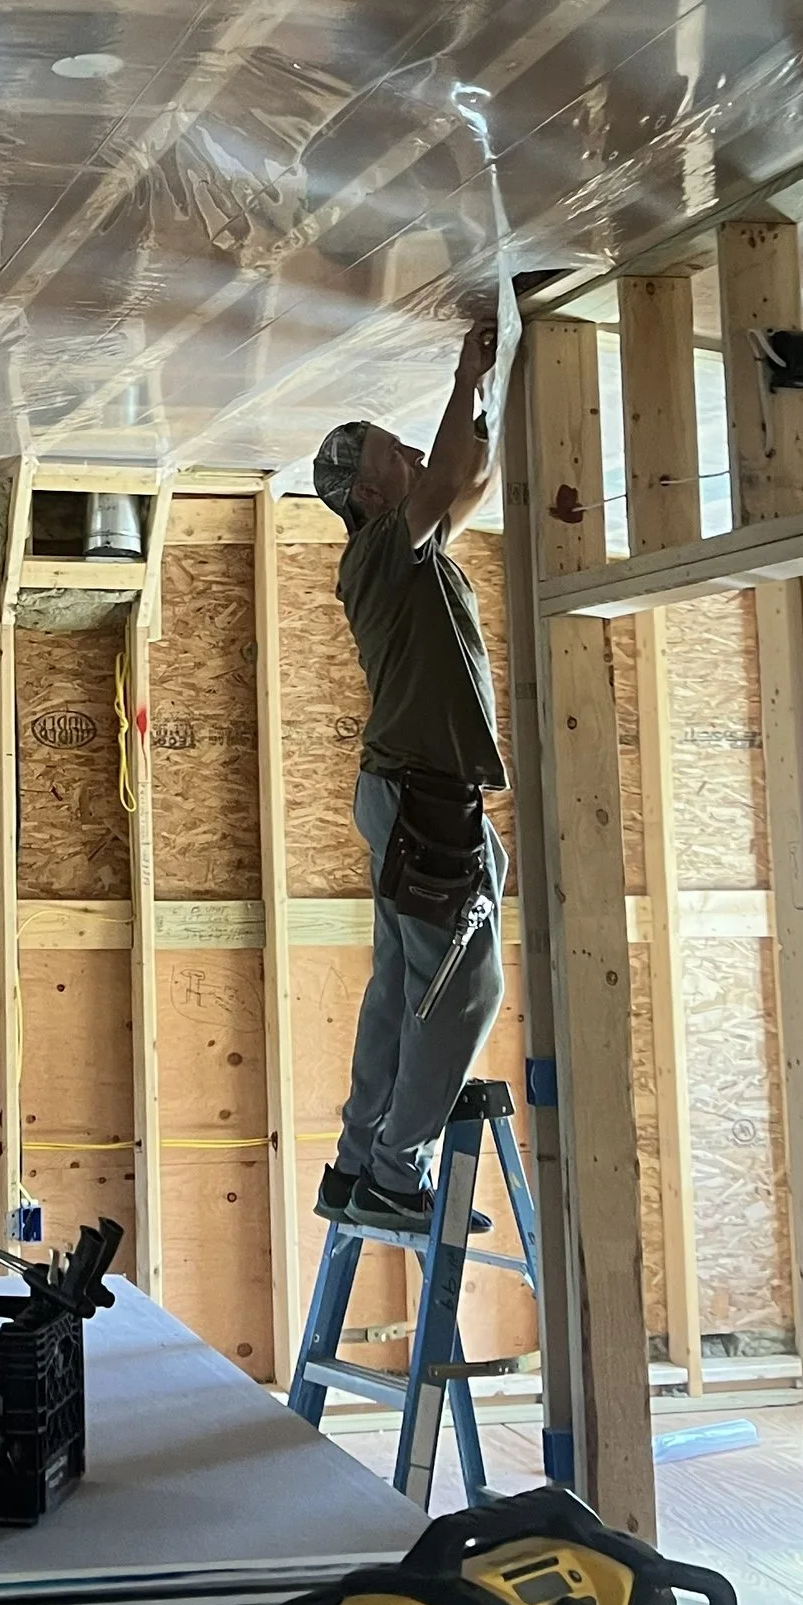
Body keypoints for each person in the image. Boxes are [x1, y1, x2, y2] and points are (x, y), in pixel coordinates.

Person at [309, 317, 507, 1233]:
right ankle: (395, 1173)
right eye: (397, 451)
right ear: (367, 490)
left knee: (401, 987)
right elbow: (446, 477)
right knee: (463, 990)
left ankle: (358, 1163)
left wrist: (484, 394)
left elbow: (472, 478)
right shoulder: (381, 549)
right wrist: (465, 375)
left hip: (414, 795)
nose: (415, 455)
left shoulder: (415, 550)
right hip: (423, 797)